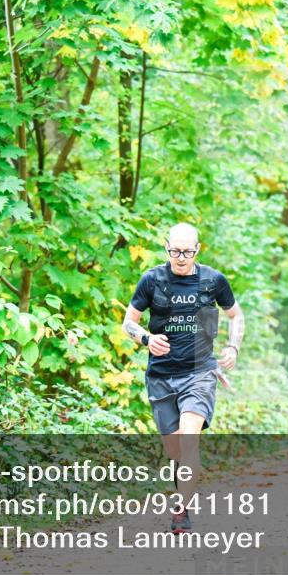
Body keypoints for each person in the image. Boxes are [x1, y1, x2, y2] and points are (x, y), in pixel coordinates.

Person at [122, 223, 244, 532]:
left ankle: (181, 510)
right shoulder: (152, 280)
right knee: (174, 450)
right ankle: (184, 492)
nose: (180, 258)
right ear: (167, 249)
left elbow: (236, 315)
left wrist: (233, 346)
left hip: (199, 373)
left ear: (198, 249)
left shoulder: (213, 281)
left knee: (189, 441)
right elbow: (129, 322)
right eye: (175, 251)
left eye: (187, 252)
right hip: (161, 376)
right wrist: (147, 340)